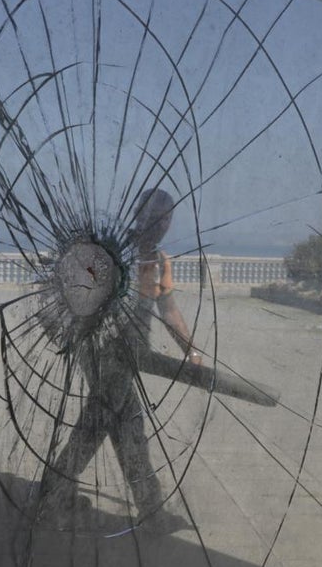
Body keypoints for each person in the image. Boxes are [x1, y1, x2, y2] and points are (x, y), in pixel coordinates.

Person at [40, 188, 202, 531]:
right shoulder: (112, 252)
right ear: (139, 215)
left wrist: (191, 351)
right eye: (155, 217)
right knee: (107, 425)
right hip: (101, 351)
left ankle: (57, 492)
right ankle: (144, 509)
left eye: (166, 218)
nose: (161, 225)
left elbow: (169, 311)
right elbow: (78, 293)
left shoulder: (159, 261)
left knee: (117, 426)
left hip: (132, 355)